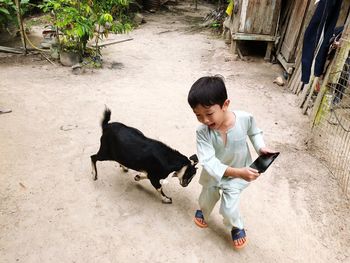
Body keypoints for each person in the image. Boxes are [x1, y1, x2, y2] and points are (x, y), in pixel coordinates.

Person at [187, 75, 275, 249]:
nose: (205, 120)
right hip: (217, 174)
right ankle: (203, 211)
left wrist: (261, 148)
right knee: (206, 198)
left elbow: (255, 132)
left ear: (225, 105)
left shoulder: (244, 118)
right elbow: (209, 162)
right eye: (198, 115)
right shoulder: (202, 132)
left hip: (236, 176)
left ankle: (236, 226)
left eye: (209, 113)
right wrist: (239, 172)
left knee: (229, 209)